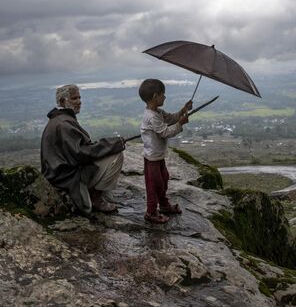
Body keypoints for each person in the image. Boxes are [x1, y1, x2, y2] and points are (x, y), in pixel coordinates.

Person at [41, 84, 126, 215]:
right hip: (67, 177)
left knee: (108, 153)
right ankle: (96, 198)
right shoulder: (64, 124)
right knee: (116, 156)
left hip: (61, 173)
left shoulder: (60, 120)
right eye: (74, 98)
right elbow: (81, 153)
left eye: (79, 97)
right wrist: (112, 145)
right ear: (63, 102)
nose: (79, 102)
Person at [139, 79, 192, 223]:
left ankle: (163, 205)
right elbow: (164, 132)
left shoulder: (158, 112)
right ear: (156, 96)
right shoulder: (151, 117)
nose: (165, 97)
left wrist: (183, 110)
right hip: (152, 159)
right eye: (163, 94)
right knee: (154, 184)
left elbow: (170, 118)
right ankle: (150, 212)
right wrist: (180, 123)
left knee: (163, 179)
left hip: (158, 156)